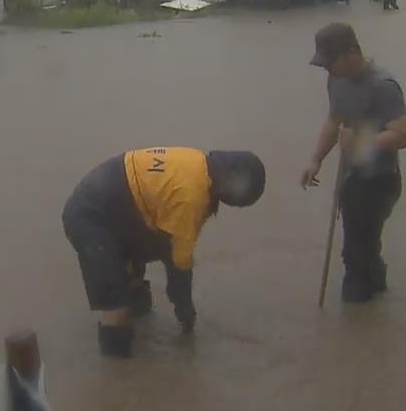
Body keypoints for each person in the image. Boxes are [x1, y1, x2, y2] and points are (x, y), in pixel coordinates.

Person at [62, 147, 266, 358]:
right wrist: (185, 310)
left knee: (136, 279)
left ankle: (141, 329)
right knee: (117, 303)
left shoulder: (197, 163)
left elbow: (168, 243)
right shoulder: (192, 197)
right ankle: (117, 373)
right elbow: (180, 261)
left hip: (119, 204)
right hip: (90, 216)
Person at [300, 22, 406, 303]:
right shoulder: (336, 81)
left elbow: (401, 135)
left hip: (380, 180)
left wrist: (362, 141)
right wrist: (315, 160)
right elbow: (334, 121)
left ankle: (358, 308)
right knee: (363, 244)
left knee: (356, 249)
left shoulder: (383, 86)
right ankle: (376, 290)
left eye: (330, 62)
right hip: (351, 177)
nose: (327, 69)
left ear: (351, 52)